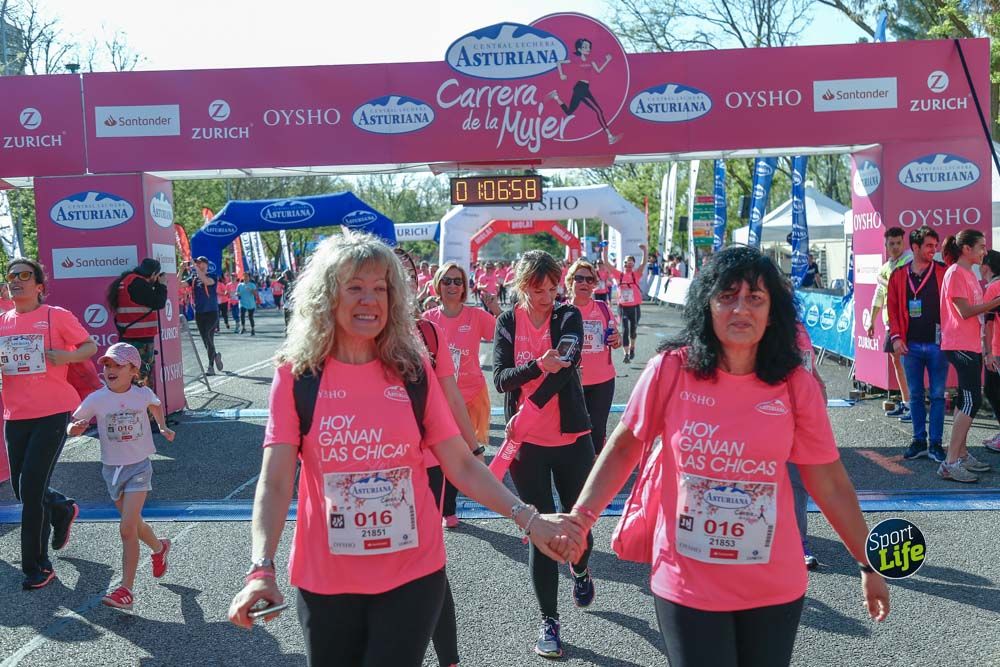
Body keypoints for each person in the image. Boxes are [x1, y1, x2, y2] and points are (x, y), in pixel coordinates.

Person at [227, 233, 581, 666]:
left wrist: (529, 519)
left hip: (412, 573)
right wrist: (261, 568)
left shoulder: (412, 370)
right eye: (355, 286)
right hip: (326, 578)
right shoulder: (297, 376)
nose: (370, 299)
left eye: (380, 288)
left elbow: (460, 463)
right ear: (326, 295)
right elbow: (276, 480)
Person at [564, 246, 890, 666]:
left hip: (773, 585)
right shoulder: (670, 369)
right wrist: (581, 519)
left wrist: (868, 563)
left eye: (755, 298)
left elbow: (829, 482)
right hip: (686, 581)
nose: (741, 309)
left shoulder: (795, 384)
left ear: (772, 312)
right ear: (707, 304)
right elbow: (625, 446)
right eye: (727, 296)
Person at [494, 250, 596, 658]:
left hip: (571, 439)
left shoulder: (567, 315)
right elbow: (502, 379)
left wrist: (532, 405)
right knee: (540, 531)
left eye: (553, 288)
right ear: (523, 287)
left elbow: (566, 367)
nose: (548, 297)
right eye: (539, 290)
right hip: (527, 445)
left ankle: (581, 569)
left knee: (579, 527)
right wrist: (537, 365)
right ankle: (549, 623)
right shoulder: (507, 322)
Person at [0, 258, 97, 589]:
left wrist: (67, 356)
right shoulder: (3, 322)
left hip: (52, 413)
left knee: (30, 491)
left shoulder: (56, 316)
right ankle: (61, 509)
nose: (16, 280)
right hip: (15, 414)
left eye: (24, 275)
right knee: (22, 489)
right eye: (11, 275)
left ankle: (37, 566)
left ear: (39, 286)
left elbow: (89, 346)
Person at [67, 342, 175, 611]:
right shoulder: (97, 399)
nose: (110, 370)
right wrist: (74, 429)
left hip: (139, 467)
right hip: (111, 470)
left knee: (126, 528)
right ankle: (160, 547)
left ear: (133, 371)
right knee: (135, 524)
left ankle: (126, 590)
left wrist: (162, 426)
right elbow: (73, 424)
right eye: (107, 365)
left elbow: (155, 404)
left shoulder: (142, 394)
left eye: (118, 365)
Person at [423, 262, 500, 528]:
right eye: (447, 281)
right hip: (439, 397)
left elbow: (505, 334)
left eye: (458, 281)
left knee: (463, 451)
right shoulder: (428, 319)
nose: (453, 286)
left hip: (471, 395)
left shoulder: (476, 316)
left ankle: (452, 502)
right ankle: (445, 508)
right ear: (438, 285)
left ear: (465, 287)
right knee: (440, 452)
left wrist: (496, 309)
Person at [937, 230, 999, 482]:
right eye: (981, 247)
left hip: (970, 345)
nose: (985, 251)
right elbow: (964, 312)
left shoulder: (968, 273)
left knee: (966, 399)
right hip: (959, 344)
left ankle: (960, 455)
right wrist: (995, 302)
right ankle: (950, 462)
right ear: (966, 249)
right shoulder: (955, 273)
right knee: (971, 401)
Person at [886, 226, 948, 465]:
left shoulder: (942, 271)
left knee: (938, 396)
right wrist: (896, 337)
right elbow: (892, 308)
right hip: (909, 345)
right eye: (929, 246)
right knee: (915, 395)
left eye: (936, 245)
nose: (934, 249)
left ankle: (936, 443)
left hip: (938, 345)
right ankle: (919, 440)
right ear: (915, 247)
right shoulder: (899, 275)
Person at [567, 259, 620, 455]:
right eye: (579, 278)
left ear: (594, 284)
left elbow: (616, 339)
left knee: (597, 429)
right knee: (573, 429)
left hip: (602, 380)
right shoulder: (561, 311)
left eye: (589, 280)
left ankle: (595, 465)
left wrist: (616, 339)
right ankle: (575, 466)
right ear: (570, 281)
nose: (584, 283)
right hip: (571, 380)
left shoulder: (603, 308)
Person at [867, 227, 913, 422]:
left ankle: (914, 406)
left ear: (904, 243)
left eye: (898, 243)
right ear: (885, 246)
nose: (895, 247)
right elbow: (879, 295)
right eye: (891, 244)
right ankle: (907, 403)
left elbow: (900, 287)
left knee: (908, 364)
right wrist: (871, 320)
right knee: (897, 362)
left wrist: (882, 280)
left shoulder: (909, 261)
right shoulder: (886, 266)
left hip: (907, 321)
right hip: (891, 322)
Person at [548, 37, 621, 145]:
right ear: (579, 49)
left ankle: (556, 97)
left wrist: (607, 61)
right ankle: (610, 137)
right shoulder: (575, 59)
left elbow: (598, 70)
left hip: (585, 88)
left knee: (569, 112)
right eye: (585, 47)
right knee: (598, 111)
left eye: (589, 47)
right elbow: (559, 62)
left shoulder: (590, 60)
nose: (588, 49)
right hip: (580, 88)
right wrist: (561, 74)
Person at [108, 258, 167, 389]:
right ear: (153, 274)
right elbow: (158, 302)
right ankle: (144, 402)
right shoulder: (139, 284)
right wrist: (162, 285)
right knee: (142, 378)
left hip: (127, 337)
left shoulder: (126, 280)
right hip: (141, 340)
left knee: (128, 376)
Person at [606, 243, 647, 363]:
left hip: (634, 307)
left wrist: (644, 251)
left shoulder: (635, 275)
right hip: (622, 307)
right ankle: (626, 354)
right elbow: (607, 263)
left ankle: (632, 347)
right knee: (624, 330)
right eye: (625, 263)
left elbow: (643, 263)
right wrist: (605, 249)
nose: (627, 266)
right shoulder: (619, 275)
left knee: (633, 330)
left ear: (633, 265)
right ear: (623, 264)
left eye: (630, 264)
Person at [185, 257, 223, 375]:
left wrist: (194, 266)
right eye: (196, 263)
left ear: (206, 265)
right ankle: (215, 356)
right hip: (199, 313)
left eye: (200, 263)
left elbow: (206, 281)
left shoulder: (213, 276)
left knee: (208, 335)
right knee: (206, 341)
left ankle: (210, 367)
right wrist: (181, 270)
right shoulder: (193, 278)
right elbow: (178, 285)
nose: (197, 265)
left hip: (212, 312)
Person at [981, 250, 1000, 452]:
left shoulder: (993, 288)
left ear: (986, 266)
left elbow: (988, 323)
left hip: (997, 349)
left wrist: (988, 353)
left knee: (992, 390)